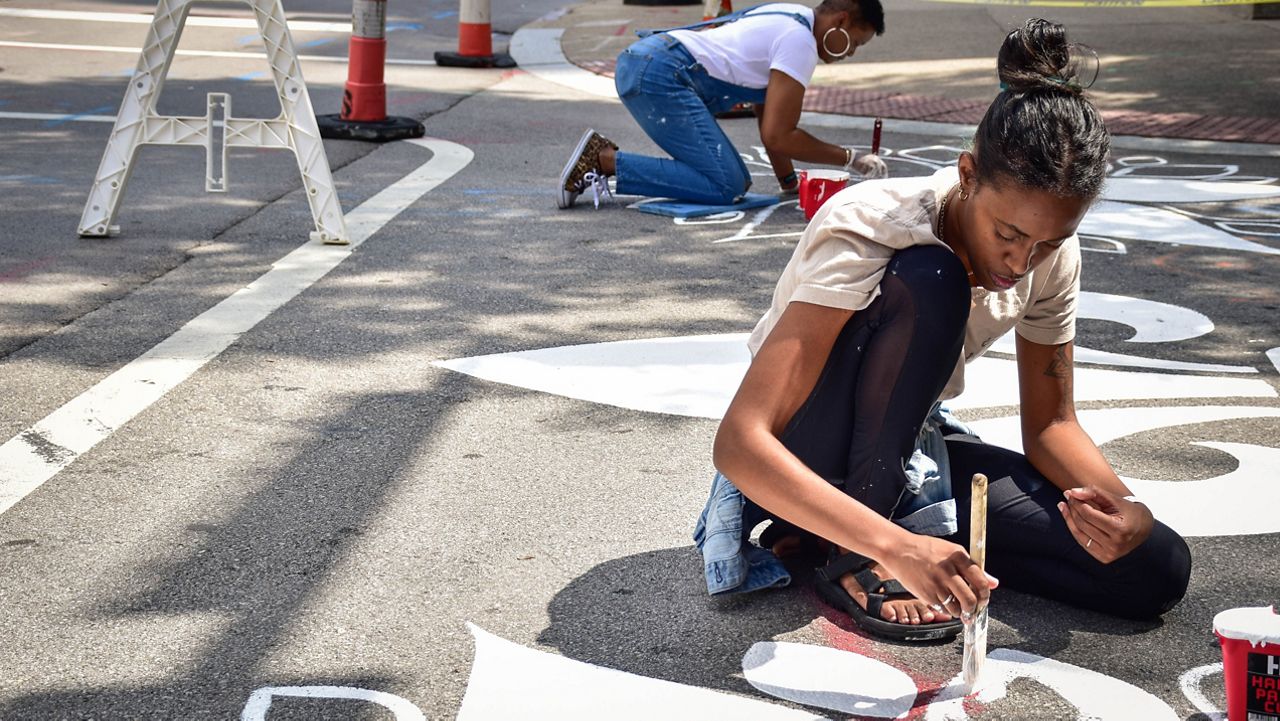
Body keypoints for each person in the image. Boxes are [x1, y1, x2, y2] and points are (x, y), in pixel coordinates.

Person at [697, 18, 1191, 642]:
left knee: (1152, 568)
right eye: (1007, 234)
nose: (1020, 263)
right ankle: (857, 548)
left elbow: (1052, 426)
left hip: (910, 451)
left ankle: (888, 540)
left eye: (1047, 242)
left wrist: (1127, 511)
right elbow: (741, 441)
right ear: (965, 173)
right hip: (799, 456)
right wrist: (895, 545)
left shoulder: (1050, 257)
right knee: (933, 279)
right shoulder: (873, 223)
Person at [557, 0, 889, 210]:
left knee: (725, 177)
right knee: (726, 184)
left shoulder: (789, 14)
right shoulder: (799, 42)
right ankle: (603, 160)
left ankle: (605, 160)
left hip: (651, 64)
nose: (851, 53)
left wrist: (789, 182)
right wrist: (852, 159)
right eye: (856, 42)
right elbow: (779, 135)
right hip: (660, 75)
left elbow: (767, 114)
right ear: (841, 22)